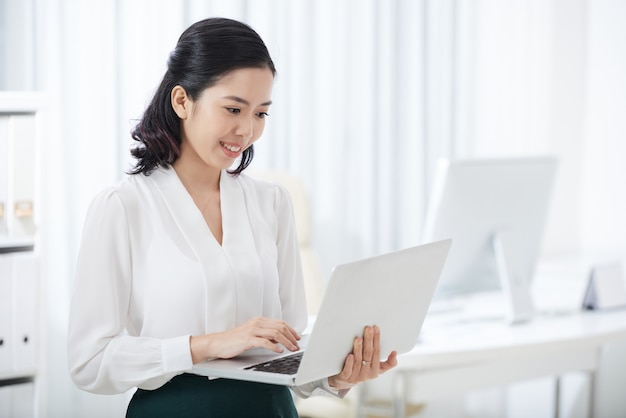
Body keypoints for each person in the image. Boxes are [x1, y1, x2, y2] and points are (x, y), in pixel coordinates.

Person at [67, 17, 397, 417]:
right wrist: (205, 345)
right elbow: (89, 361)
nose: (246, 131)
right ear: (182, 101)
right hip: (177, 408)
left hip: (270, 408)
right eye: (233, 109)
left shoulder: (272, 202)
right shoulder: (123, 207)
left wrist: (336, 377)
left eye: (261, 114)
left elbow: (289, 345)